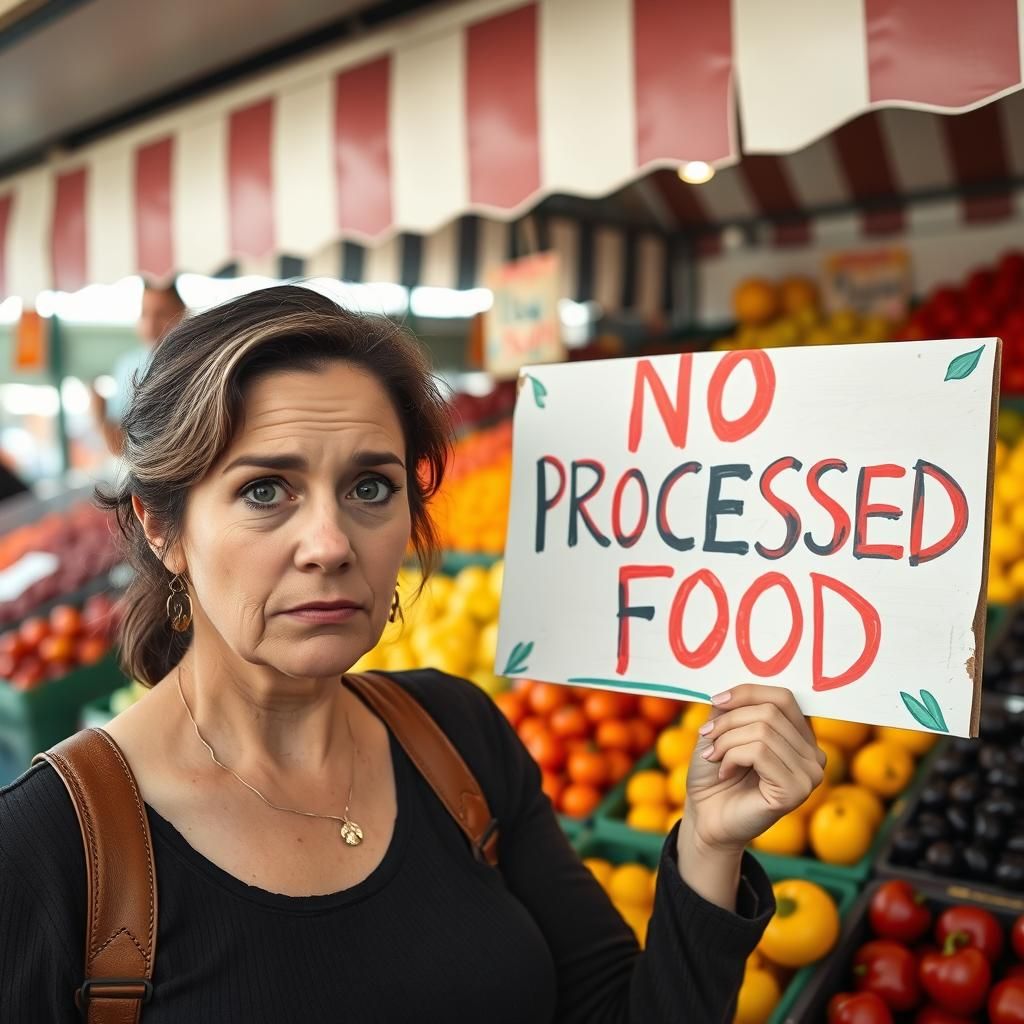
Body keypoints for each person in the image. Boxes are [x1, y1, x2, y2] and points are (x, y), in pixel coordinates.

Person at [0, 285, 825, 1022]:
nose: (329, 543)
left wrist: (711, 846)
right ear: (162, 525)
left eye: (370, 487)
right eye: (264, 491)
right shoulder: (46, 852)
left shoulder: (457, 737)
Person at [89, 277, 186, 457]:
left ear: (182, 313)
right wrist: (99, 417)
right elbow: (117, 443)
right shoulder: (127, 364)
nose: (151, 326)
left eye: (161, 314)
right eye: (144, 314)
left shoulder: (192, 362)